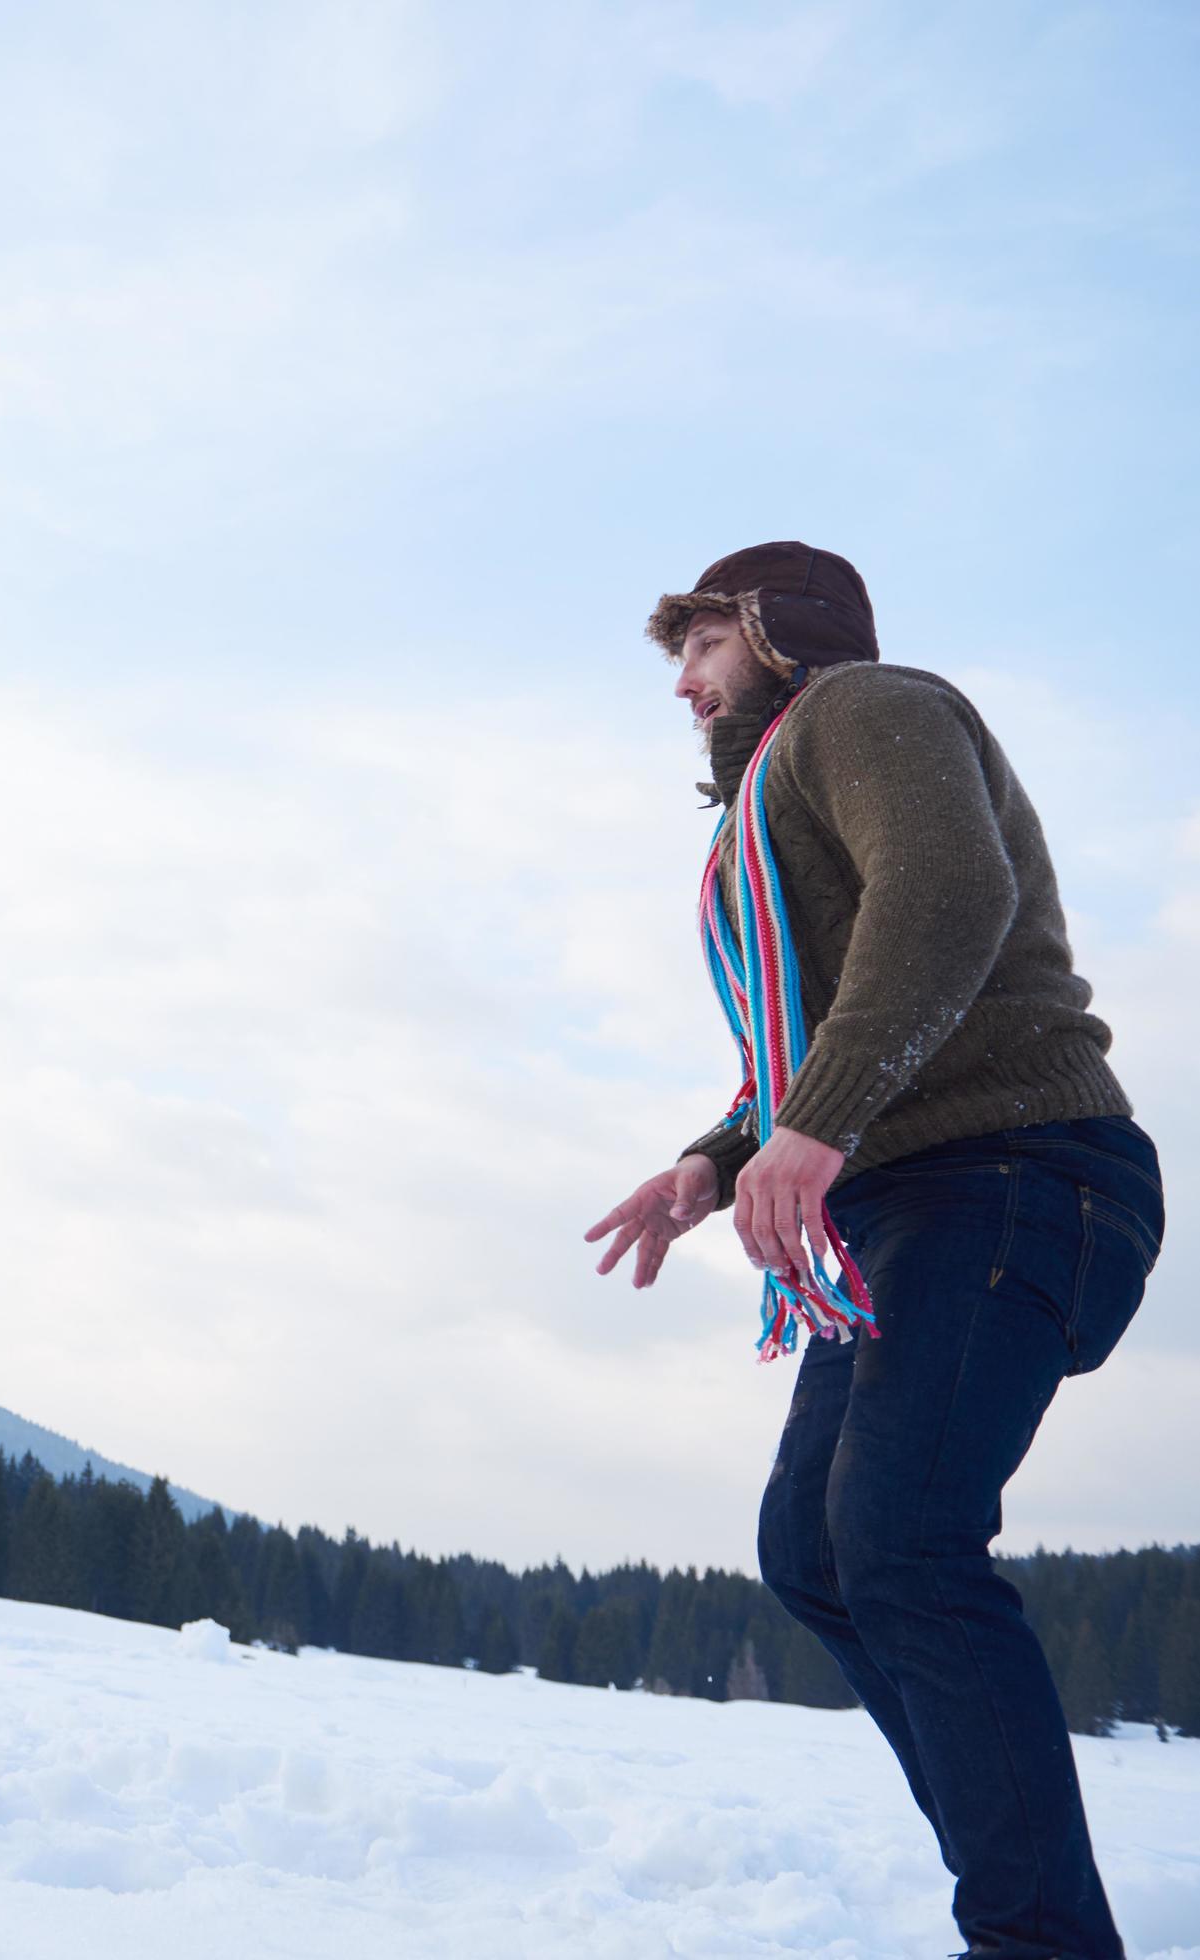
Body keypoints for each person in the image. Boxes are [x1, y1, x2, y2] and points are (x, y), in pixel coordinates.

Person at [584, 544, 1160, 1960]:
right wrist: (718, 1157)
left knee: (897, 1538)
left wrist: (819, 1123)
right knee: (820, 1552)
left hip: (1017, 1171)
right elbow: (815, 1026)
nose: (682, 678)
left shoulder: (864, 707)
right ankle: (1045, 1921)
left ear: (776, 631)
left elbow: (946, 895)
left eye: (702, 641)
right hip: (915, 1197)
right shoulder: (774, 794)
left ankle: (1035, 1942)